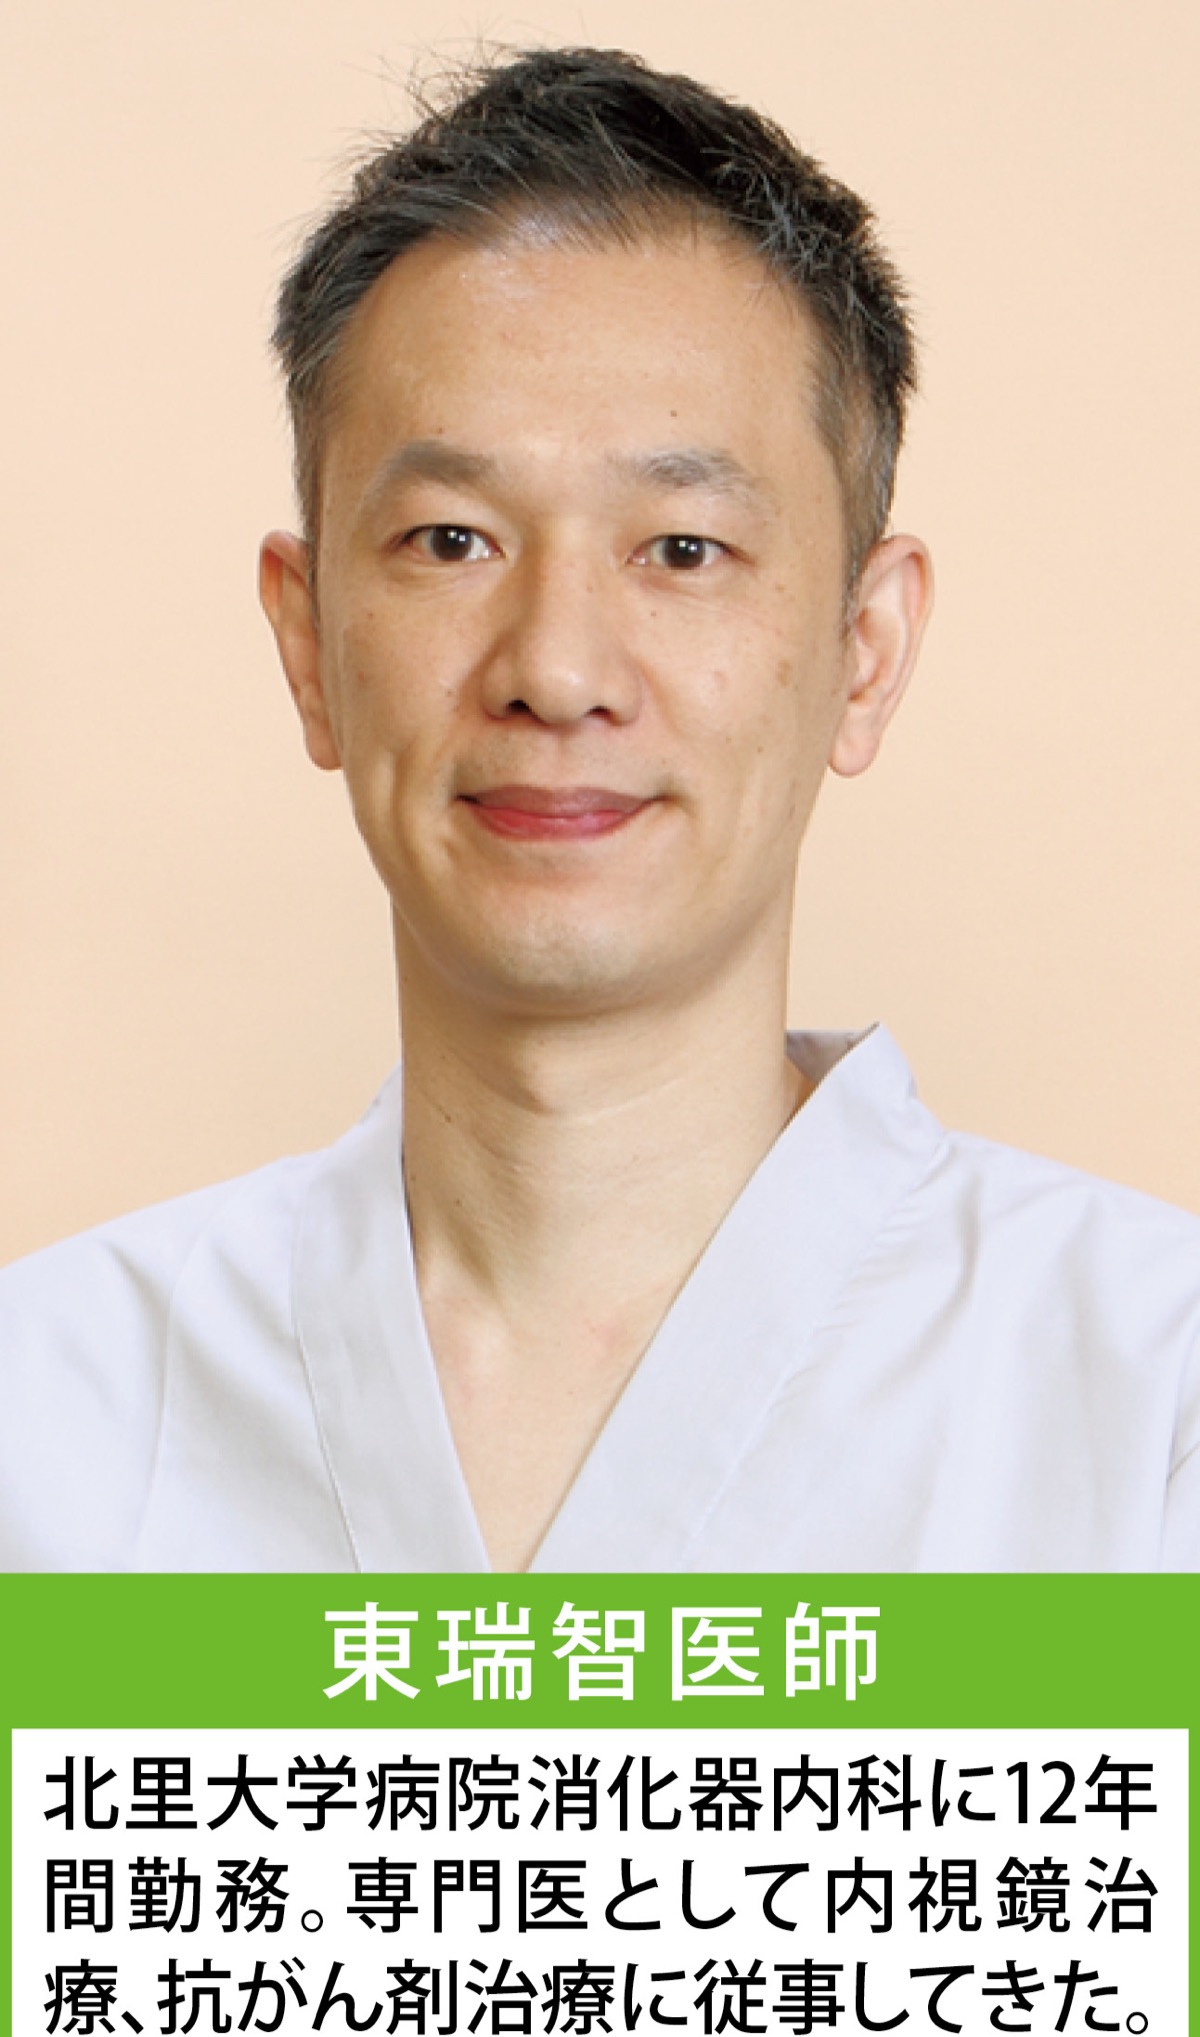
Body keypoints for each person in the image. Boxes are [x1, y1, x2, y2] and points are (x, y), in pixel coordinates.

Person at [2, 46, 1197, 1575]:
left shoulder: (1151, 1398)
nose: (557, 672)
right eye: (451, 539)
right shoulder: (44, 1421)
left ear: (867, 648)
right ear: (308, 644)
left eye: (682, 549)